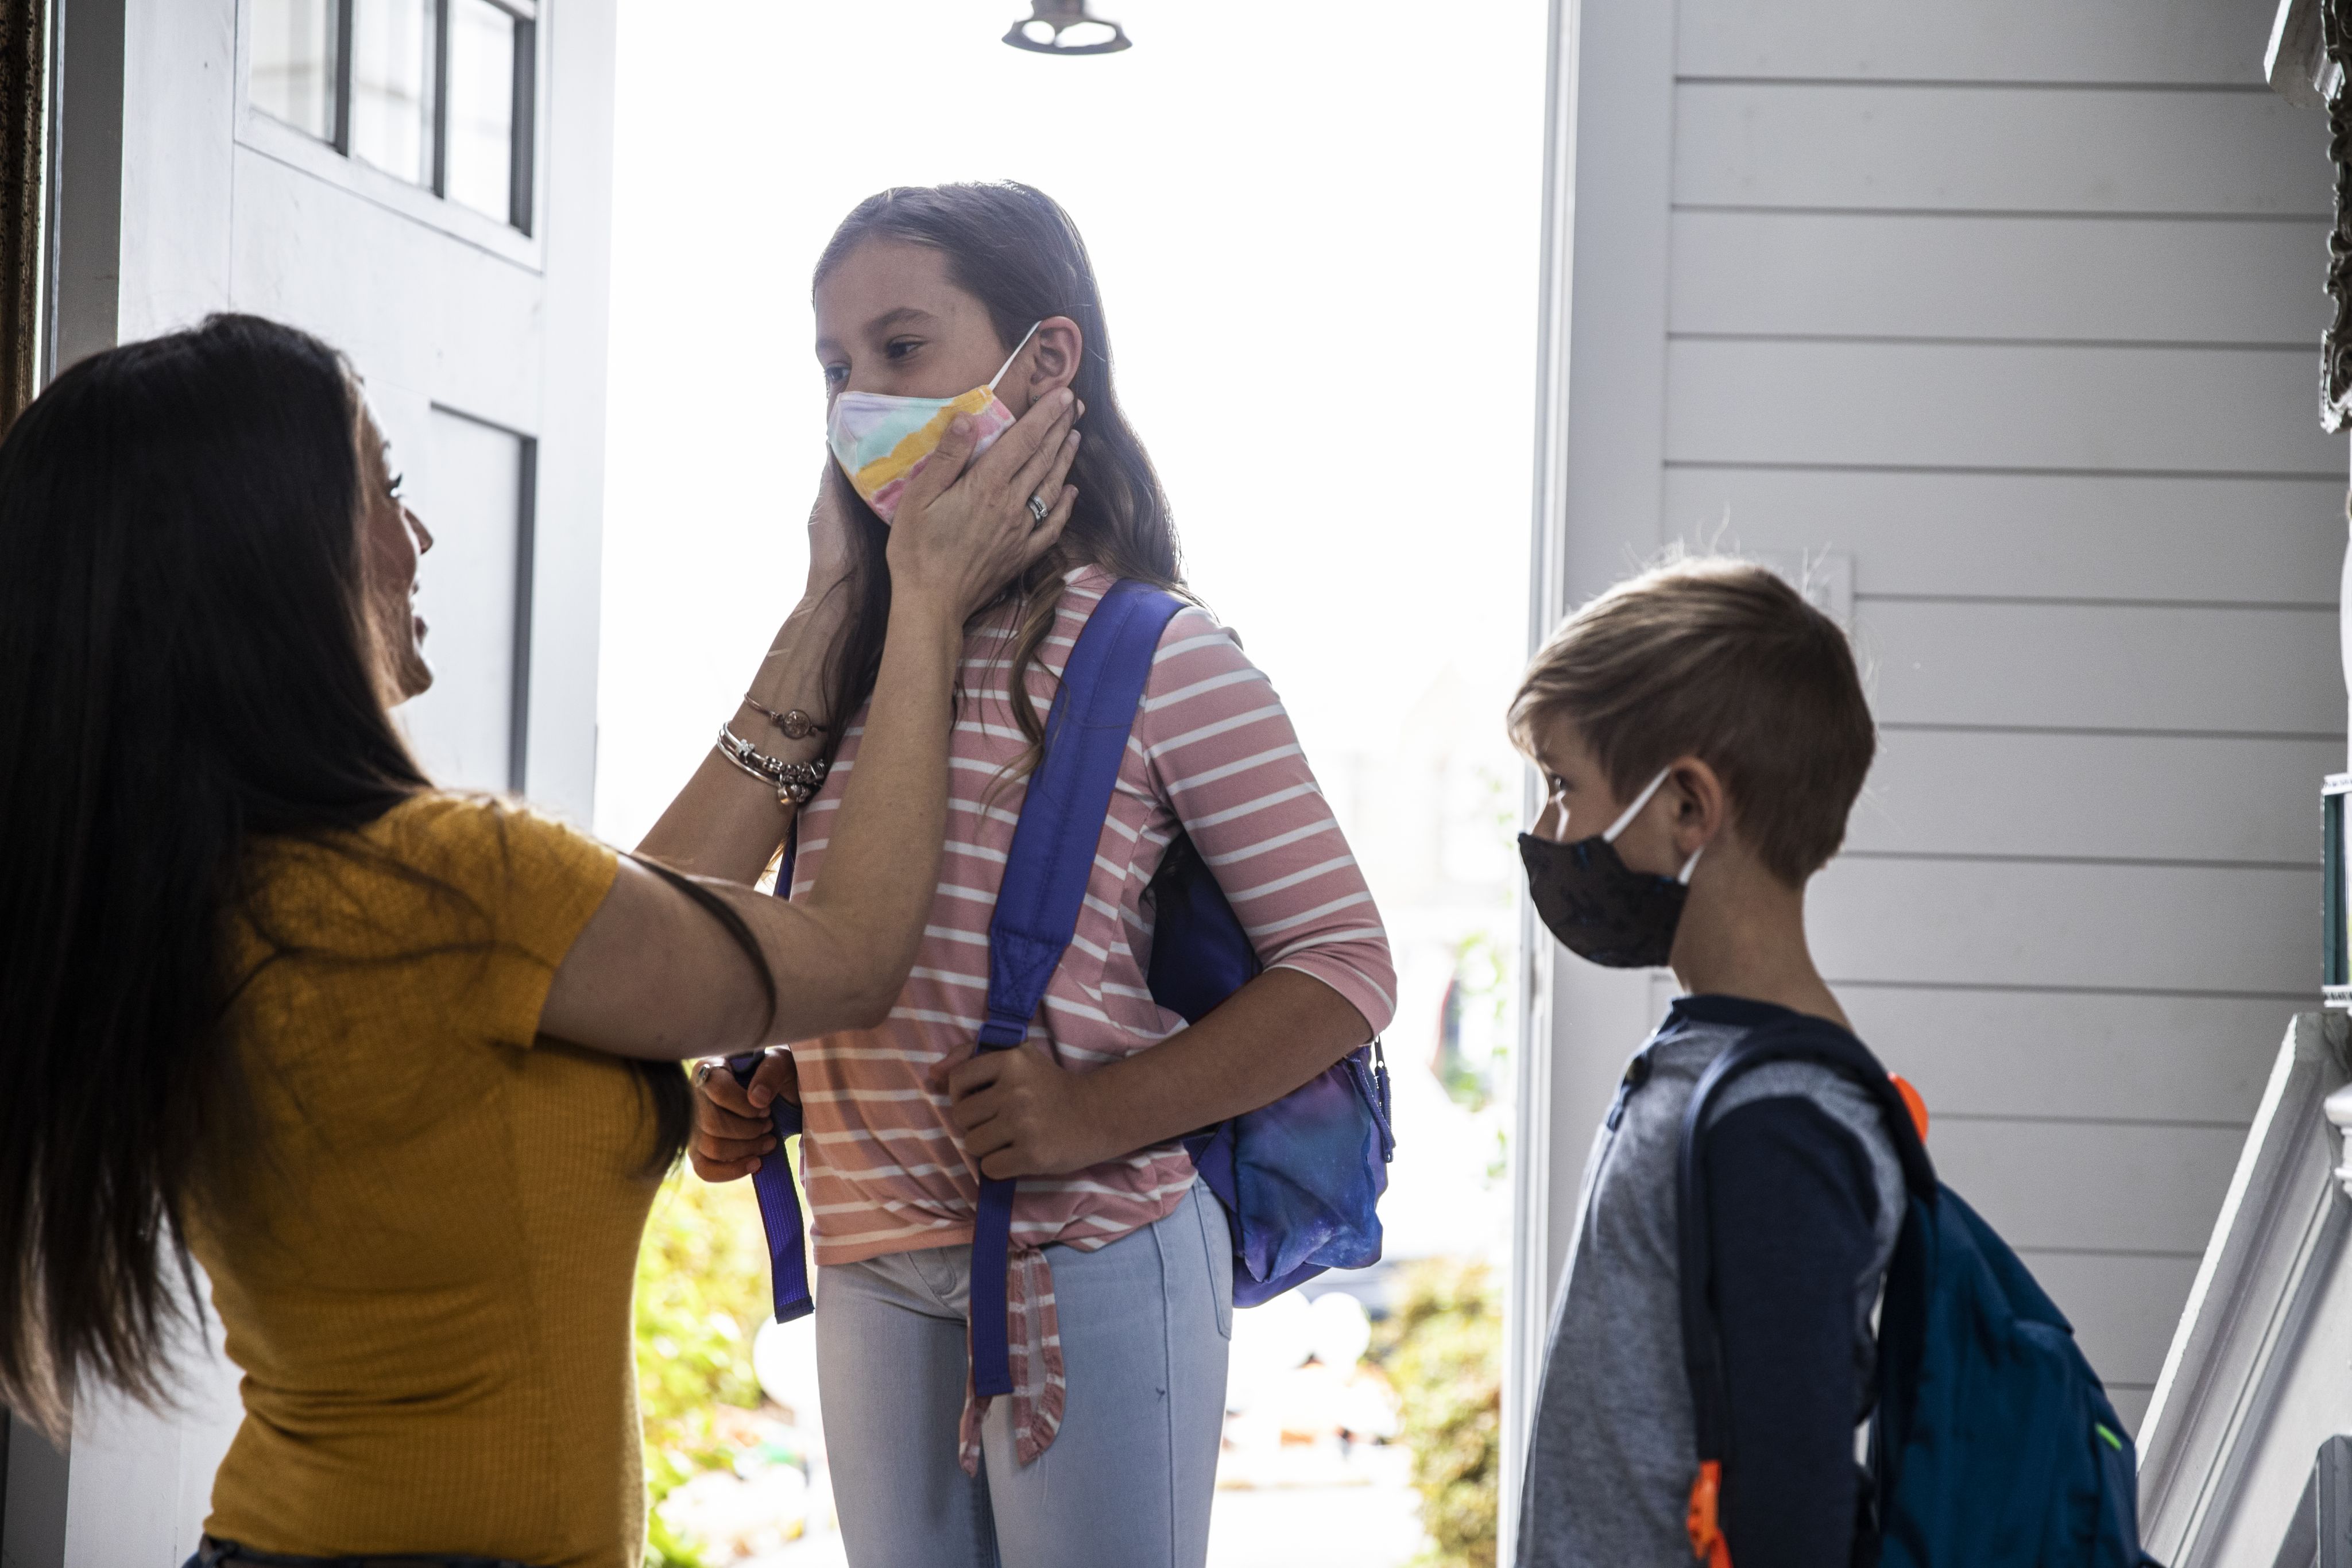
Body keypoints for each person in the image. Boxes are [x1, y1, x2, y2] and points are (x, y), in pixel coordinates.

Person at [0, 312, 1078, 1568]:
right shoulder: (443, 886)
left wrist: (835, 603)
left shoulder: (229, 888)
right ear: (269, 558)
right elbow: (846, 956)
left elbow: (635, 927)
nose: (419, 535)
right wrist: (926, 606)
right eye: (384, 488)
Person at [686, 181, 1396, 1568]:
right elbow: (857, 940)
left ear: (1047, 364)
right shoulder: (840, 666)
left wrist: (1092, 1109)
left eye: (902, 351)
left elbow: (1347, 966)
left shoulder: (1156, 656)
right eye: (834, 367)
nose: (858, 401)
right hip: (867, 1248)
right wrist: (790, 1074)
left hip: (1090, 1249)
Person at [1508, 556, 1899, 1568]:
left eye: (1563, 785)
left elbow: (1795, 1517)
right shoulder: (1706, 1062)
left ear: (1688, 805)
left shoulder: (1783, 1123)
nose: (1547, 829)